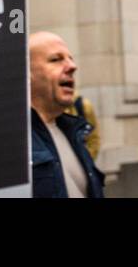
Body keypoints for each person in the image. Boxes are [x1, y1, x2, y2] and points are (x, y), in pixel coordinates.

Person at [30, 31, 105, 198]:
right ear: (27, 74)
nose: (72, 66)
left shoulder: (73, 131)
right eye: (55, 60)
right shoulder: (15, 142)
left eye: (70, 58)